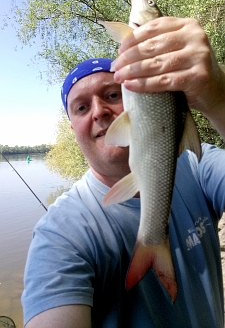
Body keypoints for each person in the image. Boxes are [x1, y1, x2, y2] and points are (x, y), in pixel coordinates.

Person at [22, 17, 225, 328]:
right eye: (80, 107)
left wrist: (218, 97)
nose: (99, 110)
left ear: (135, 98)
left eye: (112, 95)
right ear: (73, 128)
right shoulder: (62, 232)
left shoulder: (198, 164)